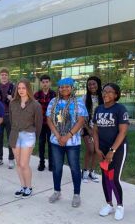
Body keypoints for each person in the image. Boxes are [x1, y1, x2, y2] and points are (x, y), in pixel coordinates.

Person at [46, 77, 88, 207]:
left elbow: (81, 120)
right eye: (62, 87)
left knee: (75, 168)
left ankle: (76, 194)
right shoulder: (54, 101)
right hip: (56, 141)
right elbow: (49, 120)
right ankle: (57, 191)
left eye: (67, 86)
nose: (64, 89)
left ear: (71, 88)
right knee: (57, 168)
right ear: (59, 88)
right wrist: (59, 136)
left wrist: (67, 136)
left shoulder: (78, 101)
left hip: (73, 143)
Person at [92, 83, 129, 221]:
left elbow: (123, 132)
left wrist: (112, 151)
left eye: (109, 92)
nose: (106, 94)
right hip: (102, 149)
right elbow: (95, 130)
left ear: (116, 94)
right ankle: (109, 204)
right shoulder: (99, 109)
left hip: (117, 149)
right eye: (104, 91)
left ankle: (120, 206)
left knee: (113, 178)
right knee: (105, 177)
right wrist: (96, 148)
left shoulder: (120, 109)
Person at [10, 78, 43, 198]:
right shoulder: (13, 103)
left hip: (28, 136)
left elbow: (38, 124)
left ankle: (29, 187)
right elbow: (11, 120)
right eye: (19, 88)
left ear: (28, 89)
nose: (21, 90)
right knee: (18, 163)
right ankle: (23, 186)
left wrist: (35, 139)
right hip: (14, 135)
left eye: (23, 88)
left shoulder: (36, 105)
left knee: (24, 164)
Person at [81, 76, 103, 183]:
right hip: (87, 127)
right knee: (90, 149)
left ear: (98, 84)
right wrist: (88, 128)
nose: (91, 86)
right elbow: (81, 115)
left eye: (94, 84)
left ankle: (92, 171)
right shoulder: (85, 98)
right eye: (89, 84)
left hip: (99, 129)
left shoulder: (103, 97)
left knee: (96, 150)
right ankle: (84, 171)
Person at [34, 74, 56, 171]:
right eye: (43, 82)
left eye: (47, 82)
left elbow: (58, 109)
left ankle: (51, 163)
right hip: (41, 124)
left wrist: (58, 123)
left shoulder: (54, 94)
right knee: (41, 144)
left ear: (50, 83)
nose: (45, 84)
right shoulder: (36, 95)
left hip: (51, 124)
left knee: (51, 144)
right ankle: (41, 163)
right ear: (40, 83)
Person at [0, 67, 15, 169]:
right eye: (2, 75)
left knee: (10, 138)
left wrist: (12, 99)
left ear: (8, 76)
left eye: (5, 75)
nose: (4, 76)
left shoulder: (13, 87)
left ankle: (11, 159)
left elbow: (18, 101)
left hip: (9, 115)